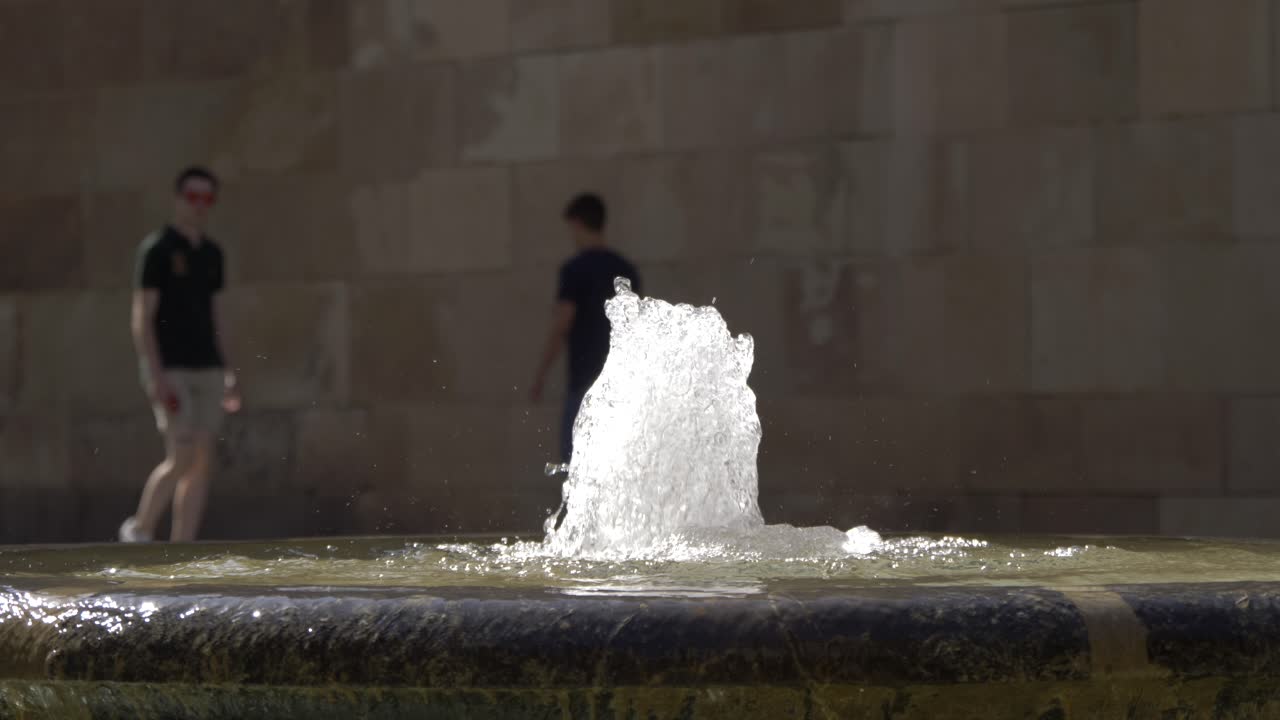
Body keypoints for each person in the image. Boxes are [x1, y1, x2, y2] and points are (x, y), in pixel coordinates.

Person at [119, 166, 241, 543]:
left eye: (207, 198)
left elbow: (217, 314)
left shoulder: (212, 254)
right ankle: (139, 529)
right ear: (178, 199)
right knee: (182, 453)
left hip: (208, 368)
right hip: (170, 368)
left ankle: (182, 546)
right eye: (193, 197)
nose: (200, 205)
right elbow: (143, 316)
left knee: (202, 462)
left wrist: (230, 370)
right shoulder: (157, 249)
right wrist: (154, 374)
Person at [530, 193, 641, 463]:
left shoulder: (575, 270)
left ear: (578, 224)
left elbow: (562, 324)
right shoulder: (626, 270)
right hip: (621, 387)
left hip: (584, 385)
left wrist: (541, 375)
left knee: (577, 469)